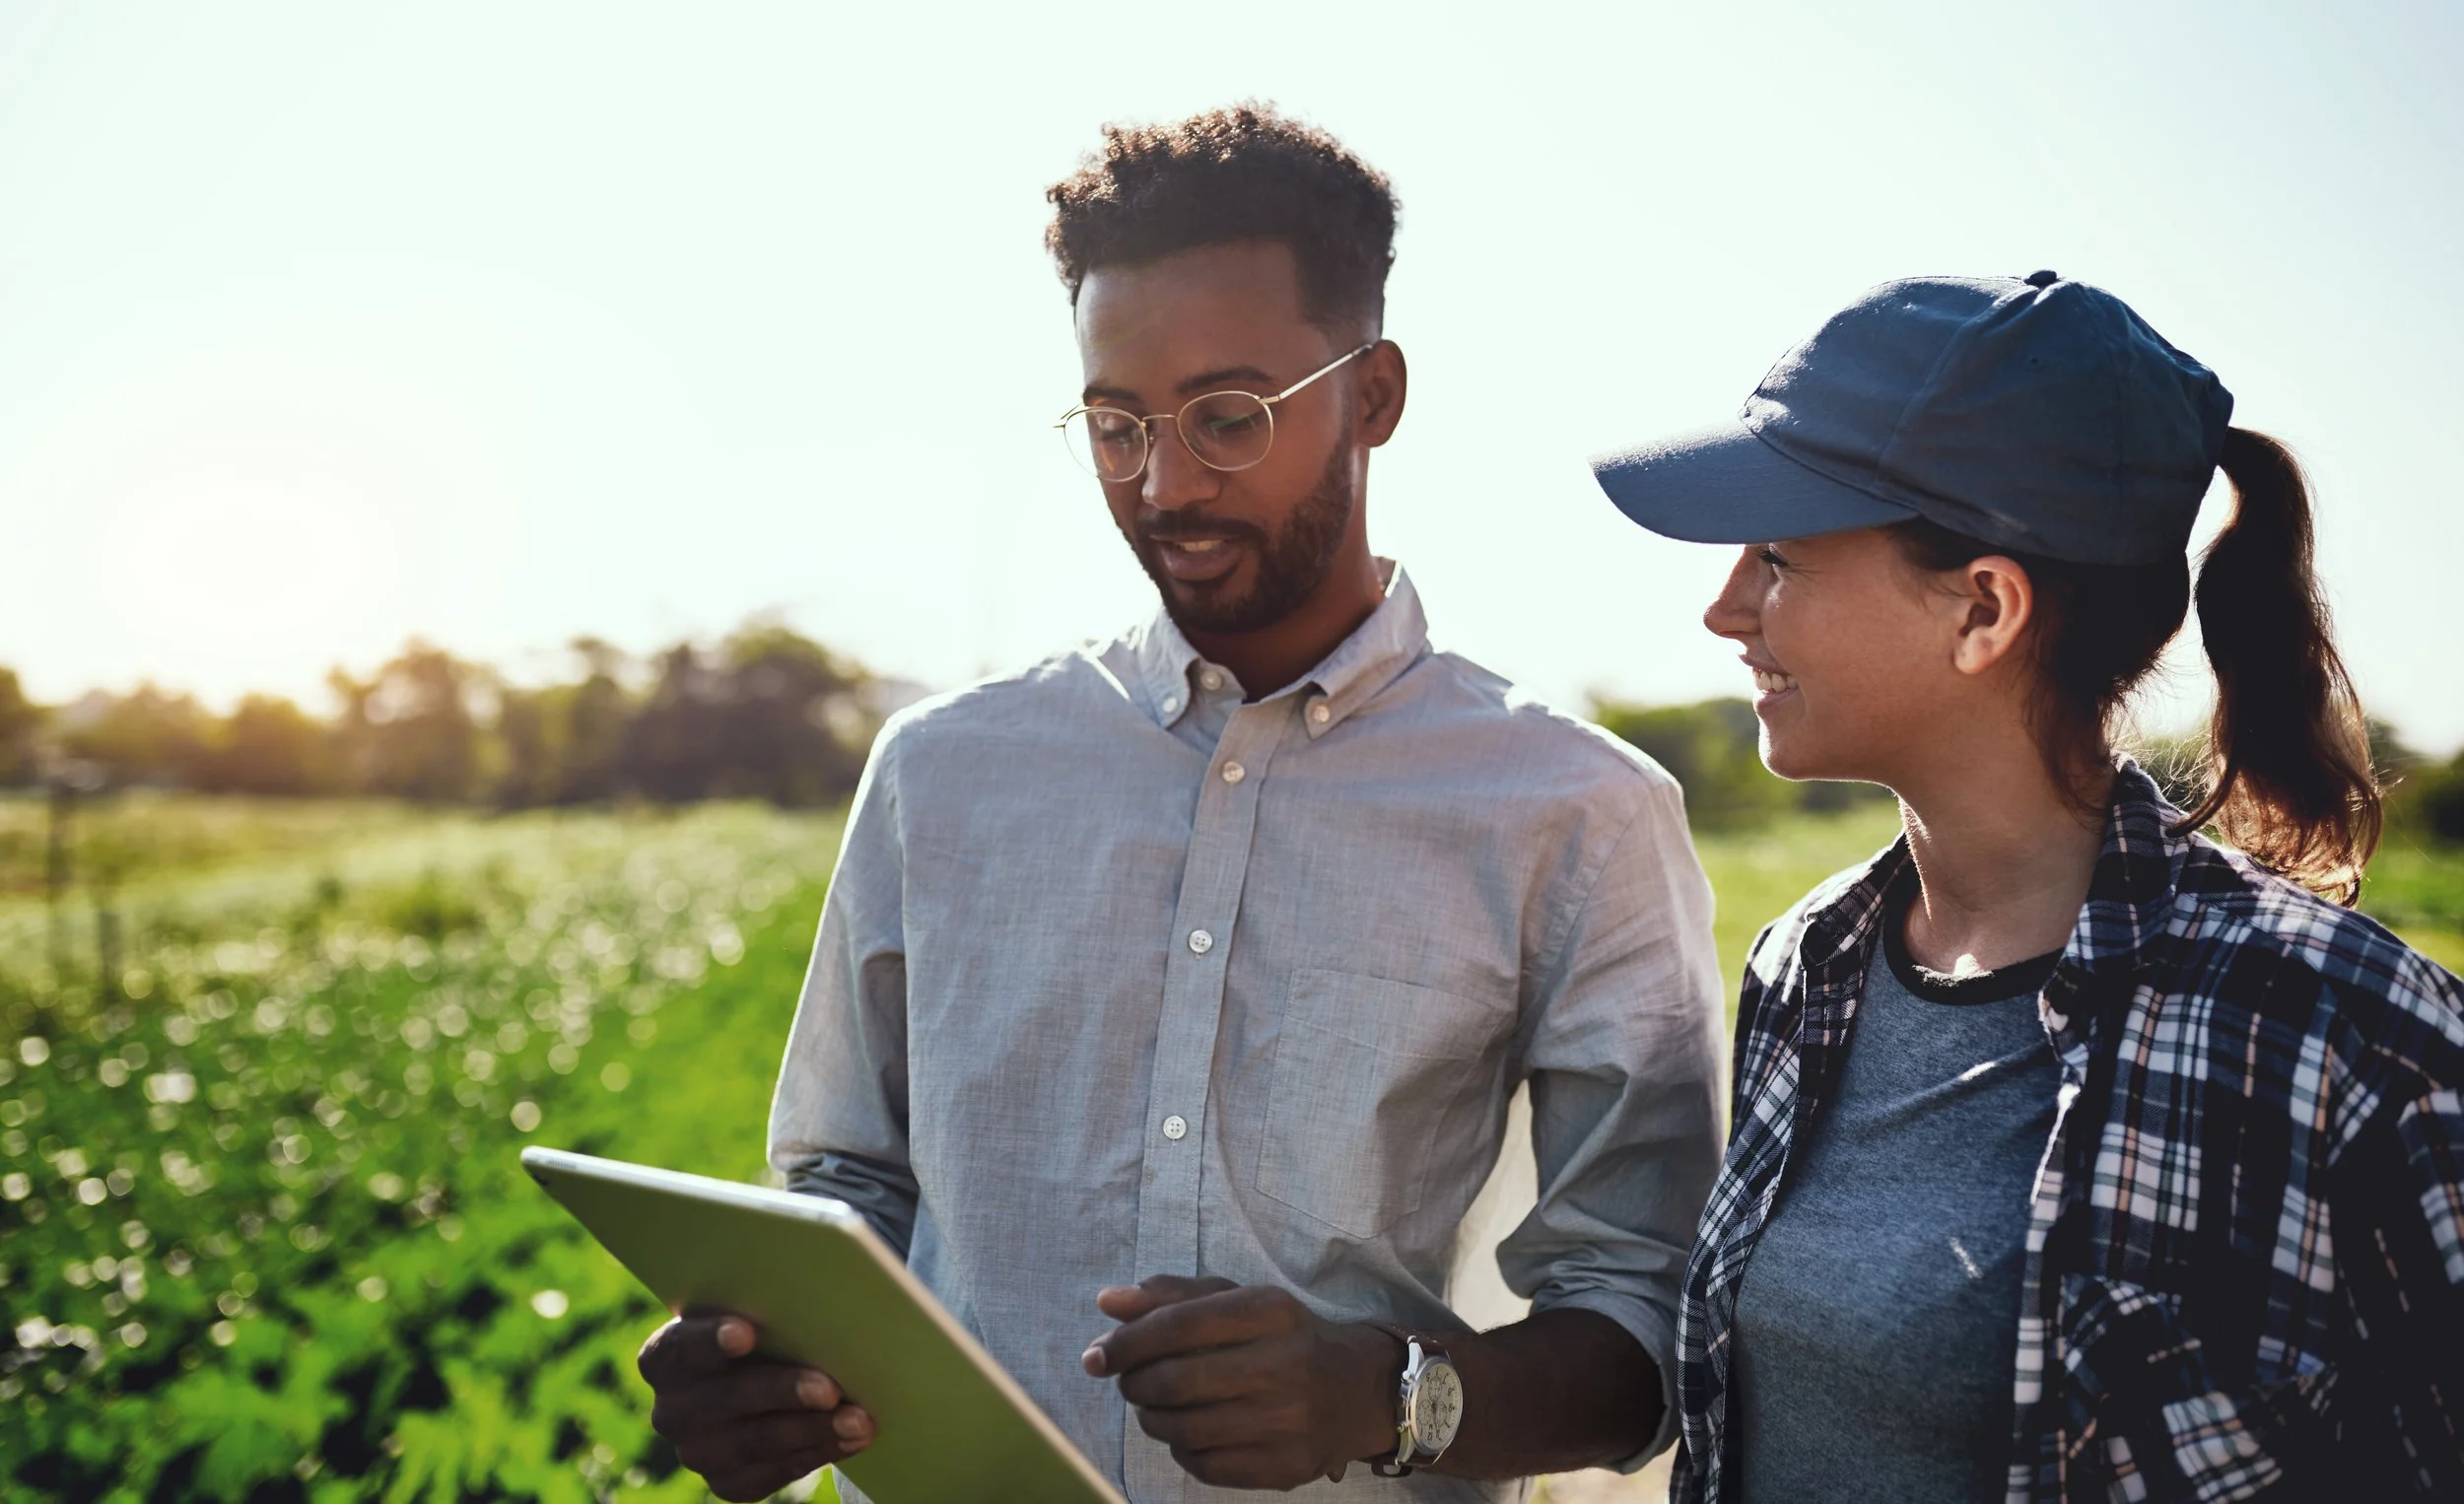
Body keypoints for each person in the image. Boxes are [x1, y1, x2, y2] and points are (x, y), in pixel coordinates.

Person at [635, 104, 1726, 1502]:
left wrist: (1386, 1398)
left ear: (1375, 396)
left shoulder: (1581, 811)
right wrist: (754, 1370)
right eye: (1115, 424)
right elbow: (847, 1184)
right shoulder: (939, 770)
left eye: (1229, 419)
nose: (1165, 485)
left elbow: (1651, 1321)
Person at [1590, 271, 2464, 1501]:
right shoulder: (1804, 965)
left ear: (1984, 609)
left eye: (1780, 555)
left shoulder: (2352, 1038)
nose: (1723, 606)